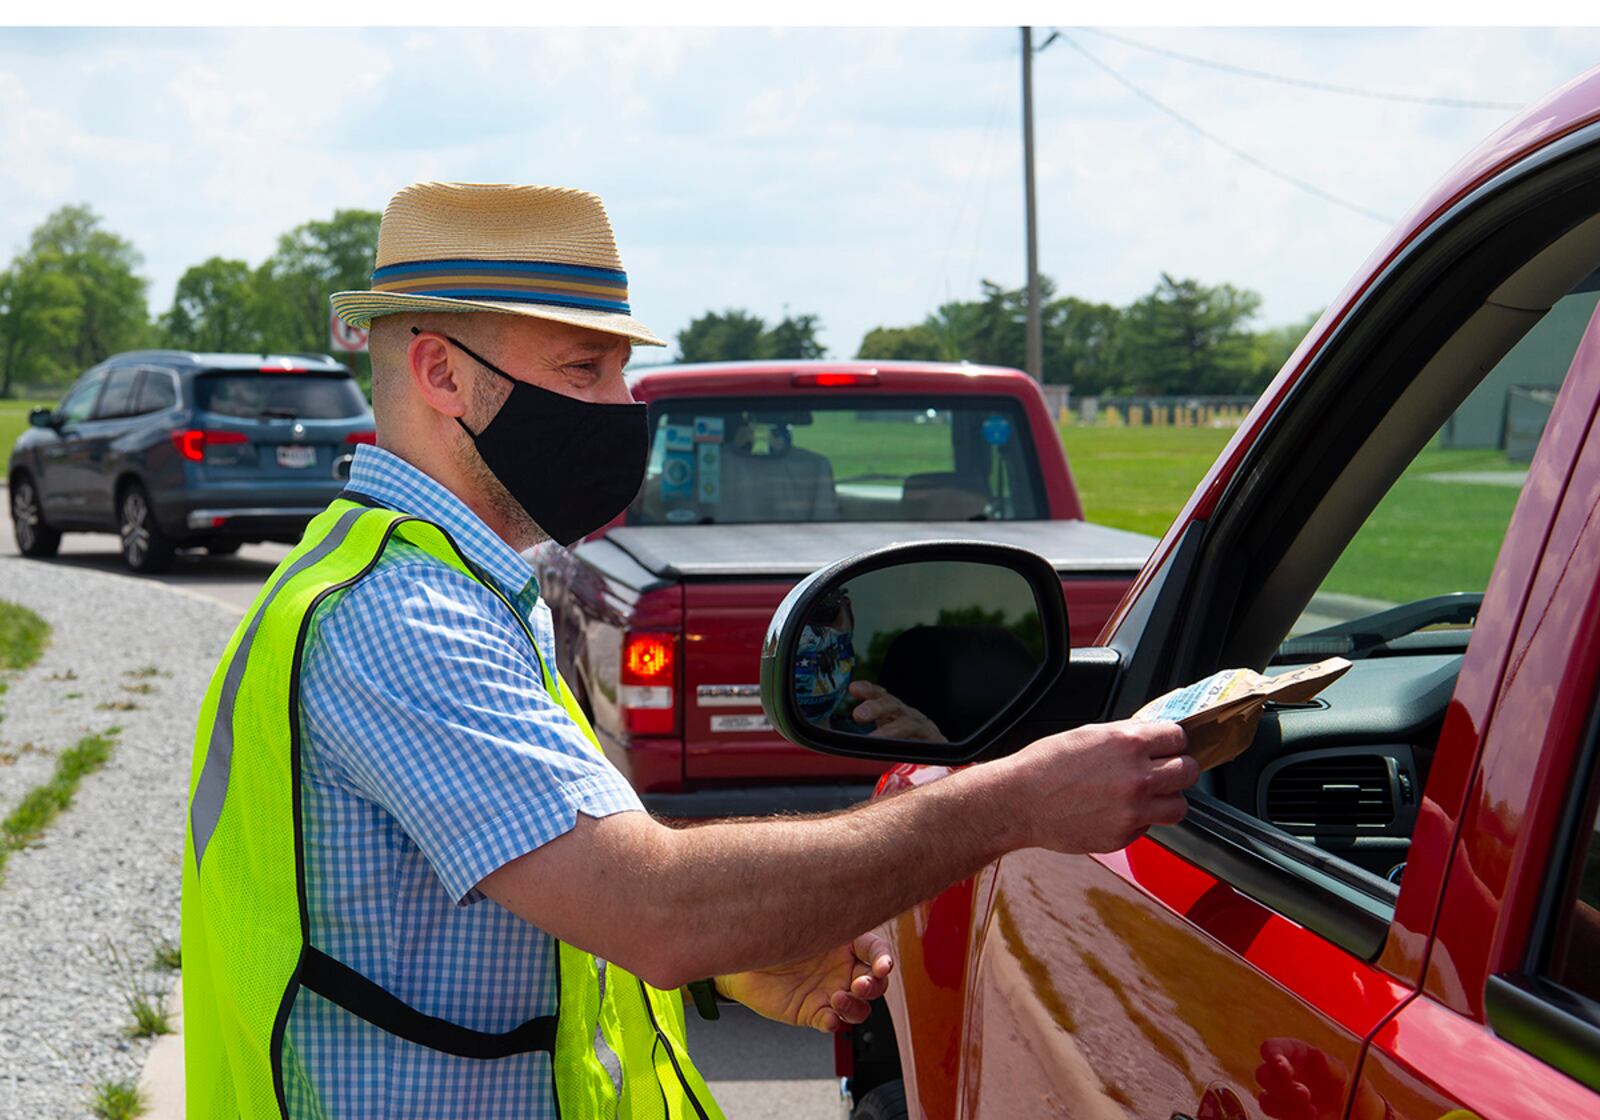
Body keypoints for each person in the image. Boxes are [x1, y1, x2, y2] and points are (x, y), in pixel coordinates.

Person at [181, 181, 1198, 1120]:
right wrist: (1014, 802)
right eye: (583, 369)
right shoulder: (403, 619)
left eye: (624, 371)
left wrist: (731, 962)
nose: (623, 412)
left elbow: (510, 893)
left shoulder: (464, 585)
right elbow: (651, 903)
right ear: (441, 371)